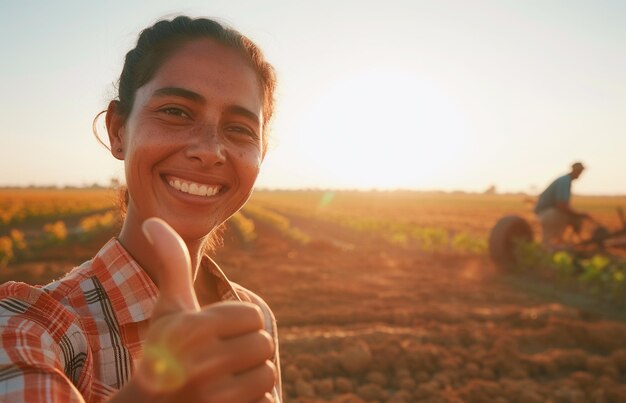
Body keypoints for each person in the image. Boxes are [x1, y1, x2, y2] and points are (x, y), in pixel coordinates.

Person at [0, 16, 281, 402]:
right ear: (118, 130)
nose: (210, 149)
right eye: (176, 112)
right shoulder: (33, 328)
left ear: (260, 155)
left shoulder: (253, 316)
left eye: (240, 129)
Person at [534, 162, 592, 248]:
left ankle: (557, 244)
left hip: (546, 213)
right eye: (580, 172)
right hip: (548, 213)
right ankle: (558, 246)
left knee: (551, 240)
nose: (580, 174)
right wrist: (579, 214)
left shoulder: (564, 180)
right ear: (575, 171)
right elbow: (561, 205)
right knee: (568, 218)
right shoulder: (564, 181)